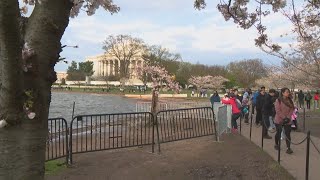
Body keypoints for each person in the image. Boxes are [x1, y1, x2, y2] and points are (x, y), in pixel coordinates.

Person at [274, 87, 295, 154]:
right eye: (287, 92)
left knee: (288, 134)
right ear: (283, 93)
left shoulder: (290, 100)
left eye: (288, 92)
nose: (288, 93)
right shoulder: (278, 100)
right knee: (278, 133)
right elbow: (277, 111)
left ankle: (288, 148)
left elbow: (292, 109)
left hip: (288, 120)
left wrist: (288, 117)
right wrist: (284, 118)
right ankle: (276, 144)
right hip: (279, 120)